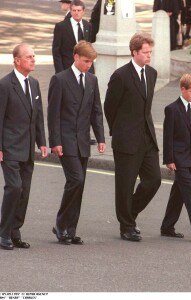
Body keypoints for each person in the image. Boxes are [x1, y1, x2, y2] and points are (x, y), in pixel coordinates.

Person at [104, 32, 161, 242]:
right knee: (125, 185)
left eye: (150, 52)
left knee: (154, 180)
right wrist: (118, 130)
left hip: (147, 138)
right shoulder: (120, 76)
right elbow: (109, 107)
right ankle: (126, 226)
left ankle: (130, 213)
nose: (149, 56)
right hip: (126, 139)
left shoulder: (152, 74)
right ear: (134, 52)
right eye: (145, 52)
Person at [48, 40, 106, 245]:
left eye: (91, 62)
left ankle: (70, 230)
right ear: (75, 57)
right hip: (65, 140)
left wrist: (100, 137)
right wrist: (54, 141)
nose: (89, 65)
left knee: (79, 185)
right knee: (76, 180)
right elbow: (52, 114)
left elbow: (96, 111)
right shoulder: (59, 80)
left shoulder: (92, 80)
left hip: (82, 140)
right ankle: (60, 224)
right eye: (86, 61)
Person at [0, 43, 48, 250]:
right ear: (17, 61)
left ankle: (15, 230)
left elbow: (37, 117)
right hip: (10, 146)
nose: (33, 60)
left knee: (24, 191)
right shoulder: (4, 85)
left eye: (34, 56)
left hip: (28, 148)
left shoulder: (35, 84)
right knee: (14, 188)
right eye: (29, 57)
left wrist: (42, 142)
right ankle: (3, 233)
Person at [161, 74, 191, 241]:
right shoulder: (172, 109)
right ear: (182, 89)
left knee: (178, 193)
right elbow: (168, 137)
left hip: (190, 157)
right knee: (189, 191)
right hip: (177, 158)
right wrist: (169, 159)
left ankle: (167, 226)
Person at [52, 0, 94, 74]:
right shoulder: (61, 27)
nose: (76, 13)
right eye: (74, 10)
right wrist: (60, 72)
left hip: (85, 70)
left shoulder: (88, 25)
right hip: (67, 68)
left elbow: (88, 48)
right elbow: (56, 52)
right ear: (70, 11)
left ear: (83, 11)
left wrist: (90, 69)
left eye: (79, 10)